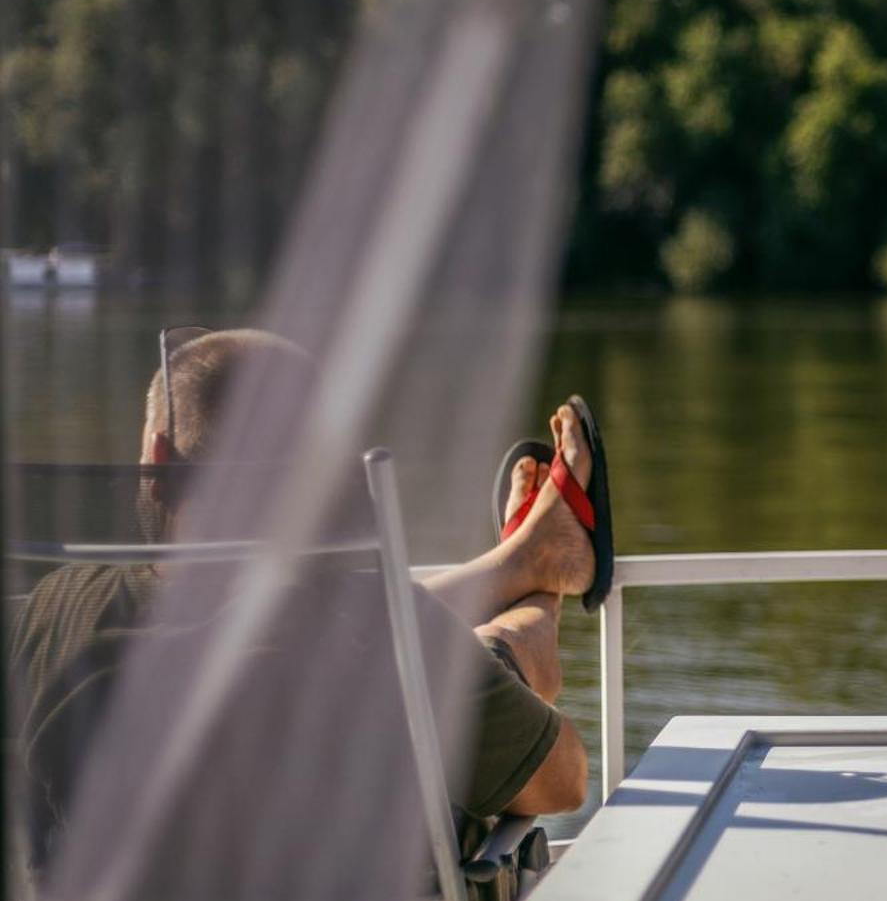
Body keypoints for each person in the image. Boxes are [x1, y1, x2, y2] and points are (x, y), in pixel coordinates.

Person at [11, 329, 601, 865]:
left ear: (158, 460)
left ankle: (524, 558)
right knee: (464, 649)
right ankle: (543, 573)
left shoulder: (53, 610)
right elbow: (564, 780)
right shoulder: (378, 627)